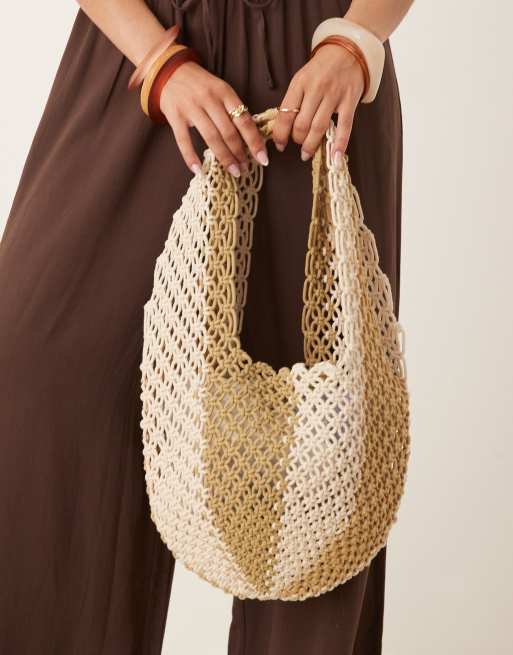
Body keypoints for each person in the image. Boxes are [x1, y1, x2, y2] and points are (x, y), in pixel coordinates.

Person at [0, 0, 414, 653]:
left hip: (319, 78)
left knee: (319, 474)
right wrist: (159, 62)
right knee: (44, 386)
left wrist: (356, 42)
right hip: (140, 59)